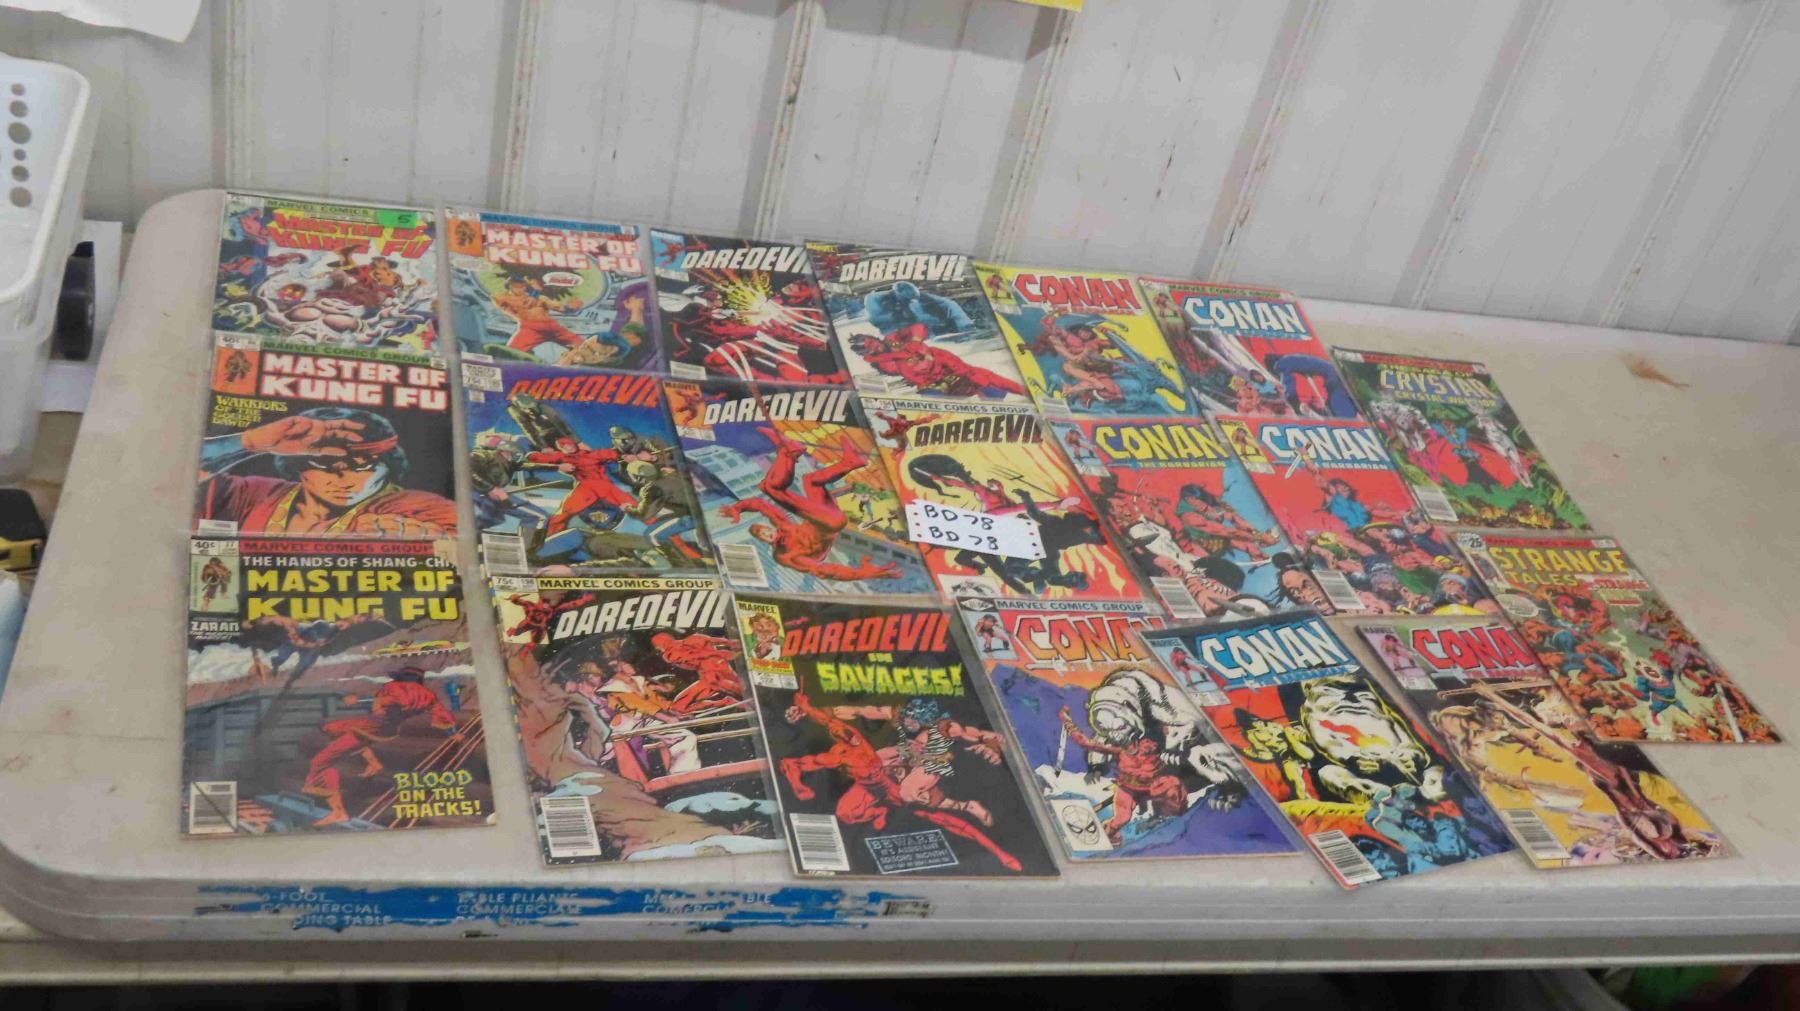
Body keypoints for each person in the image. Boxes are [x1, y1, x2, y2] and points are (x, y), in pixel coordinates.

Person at [197, 409, 456, 536]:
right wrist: (248, 443)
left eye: (362, 466)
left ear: (387, 467)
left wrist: (429, 537)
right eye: (326, 466)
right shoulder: (254, 493)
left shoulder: (411, 506)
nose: (344, 481)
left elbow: (457, 530)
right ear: (299, 466)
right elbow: (185, 479)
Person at [720, 429, 900, 583]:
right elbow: (822, 570)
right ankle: (789, 453)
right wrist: (860, 574)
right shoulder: (784, 555)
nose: (766, 533)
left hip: (828, 514)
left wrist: (738, 507)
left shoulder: (784, 527)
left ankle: (850, 462)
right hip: (830, 524)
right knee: (769, 488)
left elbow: (760, 505)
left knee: (811, 481)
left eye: (764, 529)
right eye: (762, 535)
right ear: (763, 541)